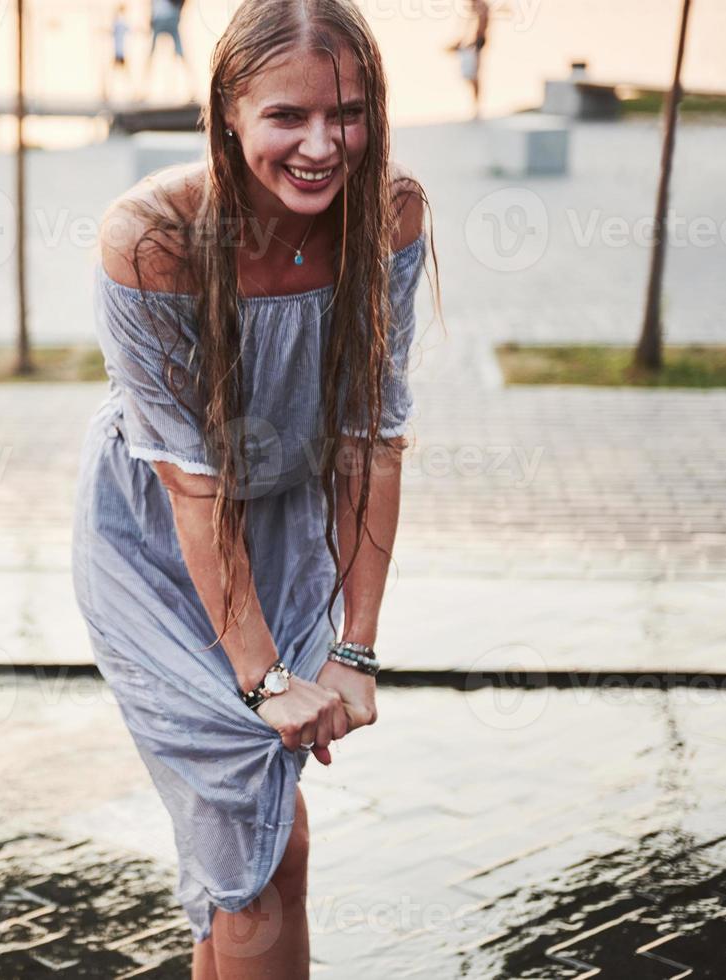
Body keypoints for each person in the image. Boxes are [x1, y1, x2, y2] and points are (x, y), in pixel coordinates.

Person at [72, 0, 441, 975]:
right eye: (287, 116)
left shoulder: (388, 213)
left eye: (348, 113)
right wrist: (265, 676)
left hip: (283, 531)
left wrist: (354, 647)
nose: (323, 146)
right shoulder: (150, 238)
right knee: (256, 845)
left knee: (266, 841)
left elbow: (370, 438)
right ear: (226, 111)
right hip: (157, 553)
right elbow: (191, 485)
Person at [450, 0, 490, 119]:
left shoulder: (481, 7)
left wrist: (474, 43)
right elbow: (467, 27)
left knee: (473, 75)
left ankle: (477, 107)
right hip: (471, 44)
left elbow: (481, 26)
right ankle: (476, 106)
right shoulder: (474, 7)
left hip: (476, 44)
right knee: (470, 76)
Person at [146, 0, 192, 101]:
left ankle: (190, 88)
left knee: (153, 54)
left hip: (165, 17)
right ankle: (191, 88)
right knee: (179, 53)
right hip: (165, 17)